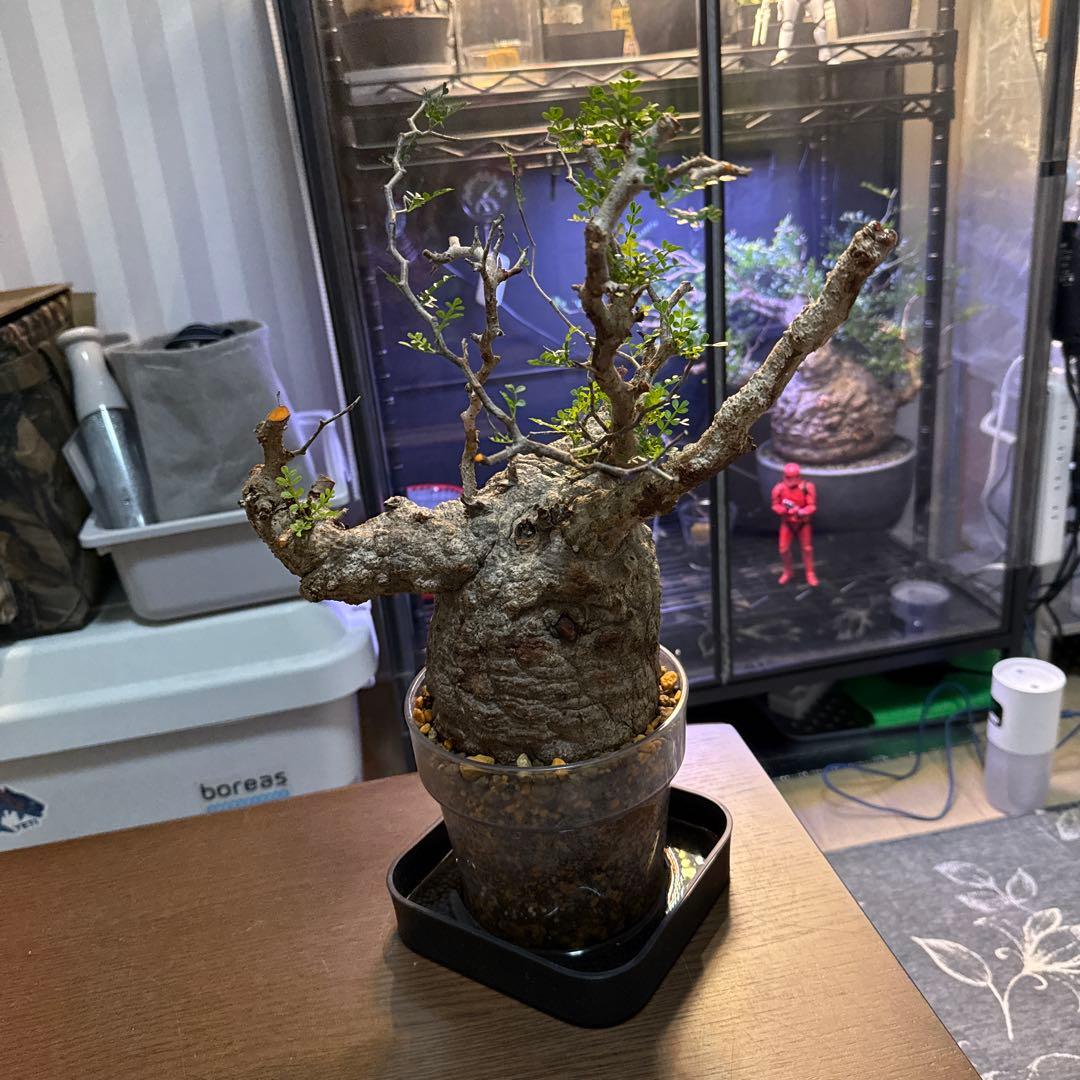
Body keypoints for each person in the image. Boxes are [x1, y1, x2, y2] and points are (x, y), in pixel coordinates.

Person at [771, 461, 819, 587]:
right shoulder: (779, 488)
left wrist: (802, 511)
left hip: (803, 523)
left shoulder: (807, 487)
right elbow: (775, 506)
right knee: (783, 549)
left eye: (793, 477)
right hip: (787, 523)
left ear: (798, 476)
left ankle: (810, 573)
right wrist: (786, 510)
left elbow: (812, 506)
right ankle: (788, 571)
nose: (790, 480)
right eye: (788, 477)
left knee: (807, 549)